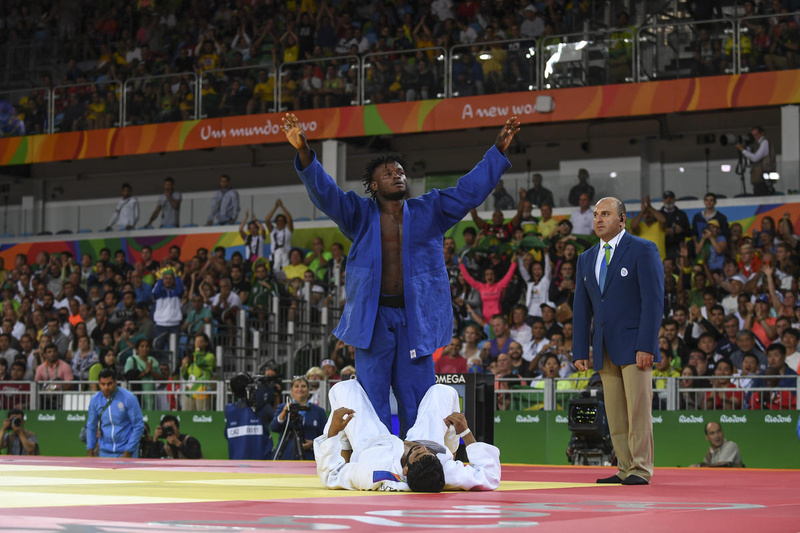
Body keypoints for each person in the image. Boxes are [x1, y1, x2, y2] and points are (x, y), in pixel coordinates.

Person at [284, 112, 520, 437]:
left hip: (414, 318)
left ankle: (420, 454)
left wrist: (497, 152)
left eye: (400, 171)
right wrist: (304, 152)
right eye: (388, 173)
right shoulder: (358, 214)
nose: (397, 176)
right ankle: (377, 456)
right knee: (372, 396)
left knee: (417, 397)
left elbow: (468, 191)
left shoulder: (430, 209)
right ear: (373, 185)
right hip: (374, 318)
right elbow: (326, 194)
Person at [573, 197, 664, 486]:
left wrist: (647, 345)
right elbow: (581, 308)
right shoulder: (586, 258)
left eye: (606, 214)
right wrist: (580, 349)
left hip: (635, 344)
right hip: (603, 345)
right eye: (595, 215)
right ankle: (624, 467)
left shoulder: (642, 249)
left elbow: (653, 301)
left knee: (638, 410)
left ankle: (641, 468)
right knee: (614, 412)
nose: (598, 219)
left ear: (622, 219)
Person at [314, 379, 500, 492]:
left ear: (404, 471)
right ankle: (449, 449)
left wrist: (334, 432)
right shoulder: (443, 474)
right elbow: (490, 476)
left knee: (344, 388)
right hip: (426, 438)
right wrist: (465, 433)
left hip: (373, 444)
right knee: (444, 391)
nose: (423, 449)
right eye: (427, 453)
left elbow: (331, 475)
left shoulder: (374, 473)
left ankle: (346, 444)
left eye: (418, 453)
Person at [86, 369, 144, 458]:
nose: (106, 387)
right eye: (103, 384)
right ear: (99, 383)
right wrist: (90, 451)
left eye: (109, 384)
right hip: (104, 452)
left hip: (126, 451)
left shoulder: (129, 398)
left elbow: (138, 426)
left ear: (115, 382)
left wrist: (128, 451)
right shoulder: (95, 400)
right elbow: (91, 426)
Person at [270, 376, 327, 460]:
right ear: (291, 390)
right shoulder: (282, 408)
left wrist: (313, 444)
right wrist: (284, 413)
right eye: (296, 386)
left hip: (310, 456)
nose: (300, 389)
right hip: (286, 456)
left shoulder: (319, 411)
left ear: (308, 390)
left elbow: (325, 436)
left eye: (303, 386)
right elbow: (274, 427)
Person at [225, 373, 273, 460]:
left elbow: (226, 434)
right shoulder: (262, 408)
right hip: (261, 462)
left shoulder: (229, 410)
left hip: (236, 461)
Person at [736, 126, 773, 196]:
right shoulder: (758, 144)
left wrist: (741, 149)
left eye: (756, 135)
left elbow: (755, 158)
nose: (754, 137)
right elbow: (751, 158)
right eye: (752, 135)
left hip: (763, 179)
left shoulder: (764, 142)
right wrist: (748, 146)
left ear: (762, 133)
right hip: (759, 179)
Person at [264, 199, 294, 272]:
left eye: (282, 221)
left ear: (285, 222)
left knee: (286, 275)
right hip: (274, 258)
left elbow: (290, 219)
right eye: (278, 221)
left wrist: (282, 206)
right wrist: (275, 207)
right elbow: (267, 220)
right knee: (275, 275)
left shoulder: (288, 230)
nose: (280, 222)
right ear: (276, 222)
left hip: (286, 258)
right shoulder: (273, 230)